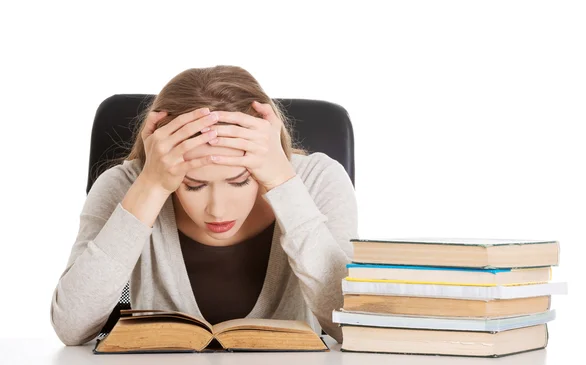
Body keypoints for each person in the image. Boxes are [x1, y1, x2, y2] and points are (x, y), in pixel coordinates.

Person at [49, 65, 358, 346]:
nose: (218, 210)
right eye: (193, 185)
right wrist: (150, 187)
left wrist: (283, 185)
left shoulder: (317, 180)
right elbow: (71, 328)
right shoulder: (129, 185)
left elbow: (353, 324)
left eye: (239, 180)